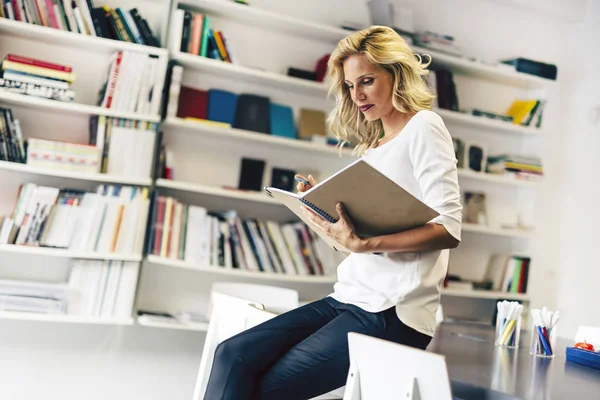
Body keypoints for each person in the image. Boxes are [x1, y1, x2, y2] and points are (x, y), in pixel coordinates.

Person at [203, 25, 462, 400]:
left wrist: (366, 242)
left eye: (367, 81)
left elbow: (449, 228)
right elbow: (354, 245)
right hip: (350, 297)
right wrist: (322, 215)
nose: (356, 95)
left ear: (396, 74)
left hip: (392, 312)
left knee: (261, 389)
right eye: (349, 86)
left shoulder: (424, 126)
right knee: (232, 354)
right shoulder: (373, 149)